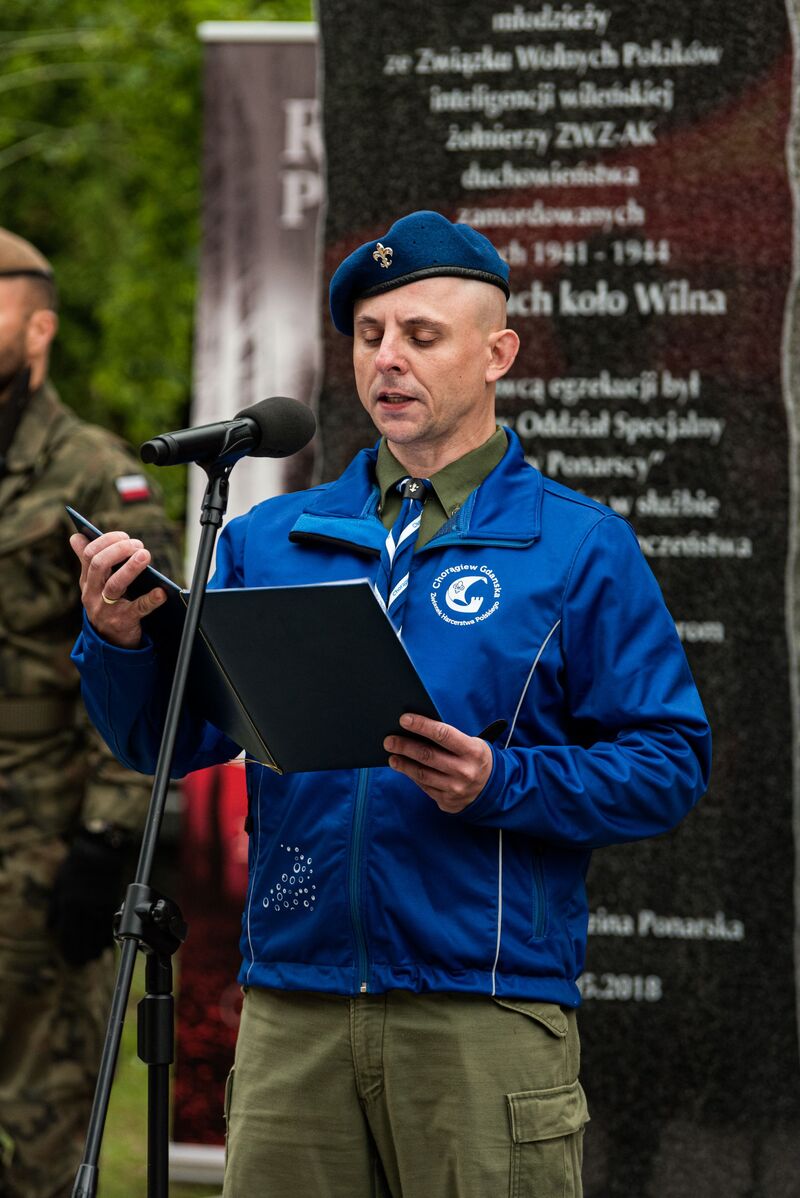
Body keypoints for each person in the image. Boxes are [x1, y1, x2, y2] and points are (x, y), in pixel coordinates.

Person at [70, 211, 711, 1198]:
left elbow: (668, 761)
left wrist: (501, 780)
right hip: (295, 1002)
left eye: (421, 334)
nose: (387, 360)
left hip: (481, 1007)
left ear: (497, 354)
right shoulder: (272, 538)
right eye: (369, 335)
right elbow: (168, 742)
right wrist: (119, 643)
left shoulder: (578, 546)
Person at [0, 227, 180, 1198]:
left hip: (40, 853)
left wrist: (108, 842)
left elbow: (151, 659)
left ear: (39, 330)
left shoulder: (92, 475)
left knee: (46, 1117)